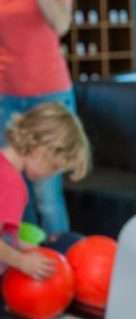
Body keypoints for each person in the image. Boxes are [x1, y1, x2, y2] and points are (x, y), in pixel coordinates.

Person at [0, 0, 76, 237]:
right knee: (14, 195)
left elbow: (60, 24)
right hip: (6, 100)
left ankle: (61, 265)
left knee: (47, 194)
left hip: (50, 98)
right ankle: (25, 271)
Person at [0, 102, 90, 280]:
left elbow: (5, 236)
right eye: (54, 167)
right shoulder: (11, 185)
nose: (51, 175)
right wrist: (21, 262)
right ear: (41, 151)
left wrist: (26, 248)